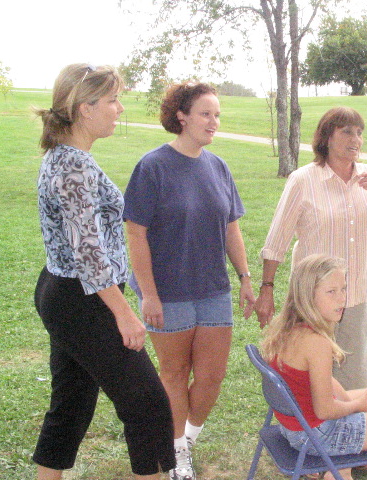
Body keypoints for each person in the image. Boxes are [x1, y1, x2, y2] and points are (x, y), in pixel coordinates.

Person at [33, 64, 175, 480]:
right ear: (83, 108)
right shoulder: (73, 166)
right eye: (112, 100)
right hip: (84, 298)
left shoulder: (66, 157)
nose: (119, 108)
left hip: (65, 292)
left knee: (72, 403)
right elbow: (89, 252)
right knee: (148, 404)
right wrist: (124, 313)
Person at [123, 81, 255, 480]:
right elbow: (135, 232)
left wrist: (245, 278)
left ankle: (187, 439)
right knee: (175, 374)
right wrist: (149, 294)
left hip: (214, 289)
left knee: (212, 376)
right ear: (181, 116)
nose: (213, 121)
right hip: (169, 293)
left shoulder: (218, 166)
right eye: (205, 113)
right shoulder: (153, 166)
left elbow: (231, 227)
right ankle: (177, 451)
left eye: (217, 114)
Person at [255, 107, 367, 391]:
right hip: (313, 300)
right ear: (327, 137)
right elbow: (277, 241)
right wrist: (266, 289)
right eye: (347, 131)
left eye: (360, 133)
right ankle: (308, 434)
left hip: (358, 294)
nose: (356, 139)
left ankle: (349, 433)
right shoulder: (303, 180)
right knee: (309, 380)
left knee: (355, 381)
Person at [261, 254, 367, 480]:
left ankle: (338, 471)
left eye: (343, 289)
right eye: (331, 292)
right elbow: (325, 411)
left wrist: (350, 402)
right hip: (317, 435)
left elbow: (325, 381)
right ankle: (339, 468)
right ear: (308, 296)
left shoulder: (290, 328)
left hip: (295, 426)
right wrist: (354, 406)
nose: (341, 299)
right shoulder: (315, 342)